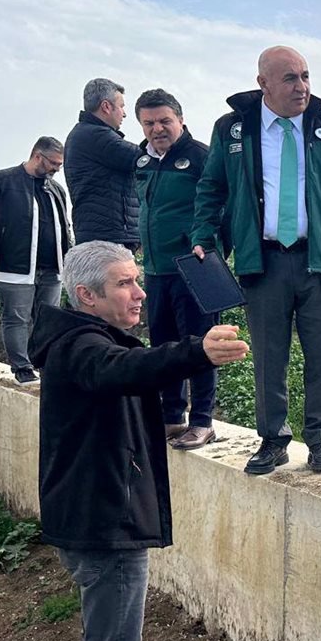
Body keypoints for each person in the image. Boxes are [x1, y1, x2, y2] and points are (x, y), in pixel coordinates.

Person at [29, 241, 249, 641]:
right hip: (105, 527)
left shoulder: (80, 337)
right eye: (125, 283)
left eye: (136, 279)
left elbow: (124, 368)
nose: (140, 292)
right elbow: (122, 371)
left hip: (94, 516)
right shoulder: (82, 347)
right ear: (86, 296)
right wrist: (197, 351)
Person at [191, 45, 321, 476]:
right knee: (269, 357)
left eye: (306, 76)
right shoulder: (234, 130)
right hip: (263, 260)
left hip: (318, 259)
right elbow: (211, 187)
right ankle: (273, 440)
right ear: (264, 84)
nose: (302, 87)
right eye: (290, 78)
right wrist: (203, 236)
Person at [133, 88, 219, 450]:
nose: (157, 129)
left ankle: (202, 421)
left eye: (164, 120)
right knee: (164, 346)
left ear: (180, 120)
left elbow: (221, 204)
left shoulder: (201, 157)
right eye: (149, 123)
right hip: (156, 270)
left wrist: (211, 247)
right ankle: (171, 416)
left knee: (200, 345)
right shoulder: (142, 161)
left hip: (194, 267)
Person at [0, 136, 74, 383]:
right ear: (38, 156)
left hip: (53, 268)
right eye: (54, 163)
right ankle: (22, 368)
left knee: (48, 320)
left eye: (60, 164)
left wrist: (69, 257)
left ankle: (46, 366)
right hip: (13, 267)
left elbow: (64, 226)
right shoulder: (0, 180)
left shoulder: (55, 189)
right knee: (17, 318)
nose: (57, 169)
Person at [64, 78, 143, 247]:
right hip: (107, 237)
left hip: (103, 233)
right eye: (121, 106)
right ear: (106, 106)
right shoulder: (95, 136)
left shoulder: (86, 133)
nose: (124, 113)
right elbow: (141, 158)